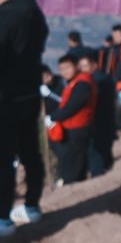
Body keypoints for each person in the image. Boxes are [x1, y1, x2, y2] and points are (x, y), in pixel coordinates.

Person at [0, 0, 52, 235]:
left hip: (6, 97)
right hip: (29, 93)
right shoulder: (34, 13)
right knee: (30, 153)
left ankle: (2, 218)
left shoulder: (6, 18)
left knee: (4, 158)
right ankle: (32, 206)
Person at [45, 53, 97, 186]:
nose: (65, 72)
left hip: (78, 128)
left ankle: (71, 184)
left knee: (72, 164)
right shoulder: (74, 82)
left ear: (76, 66)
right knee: (71, 161)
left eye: (68, 68)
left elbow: (73, 107)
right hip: (72, 128)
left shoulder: (82, 83)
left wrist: (53, 117)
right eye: (61, 69)